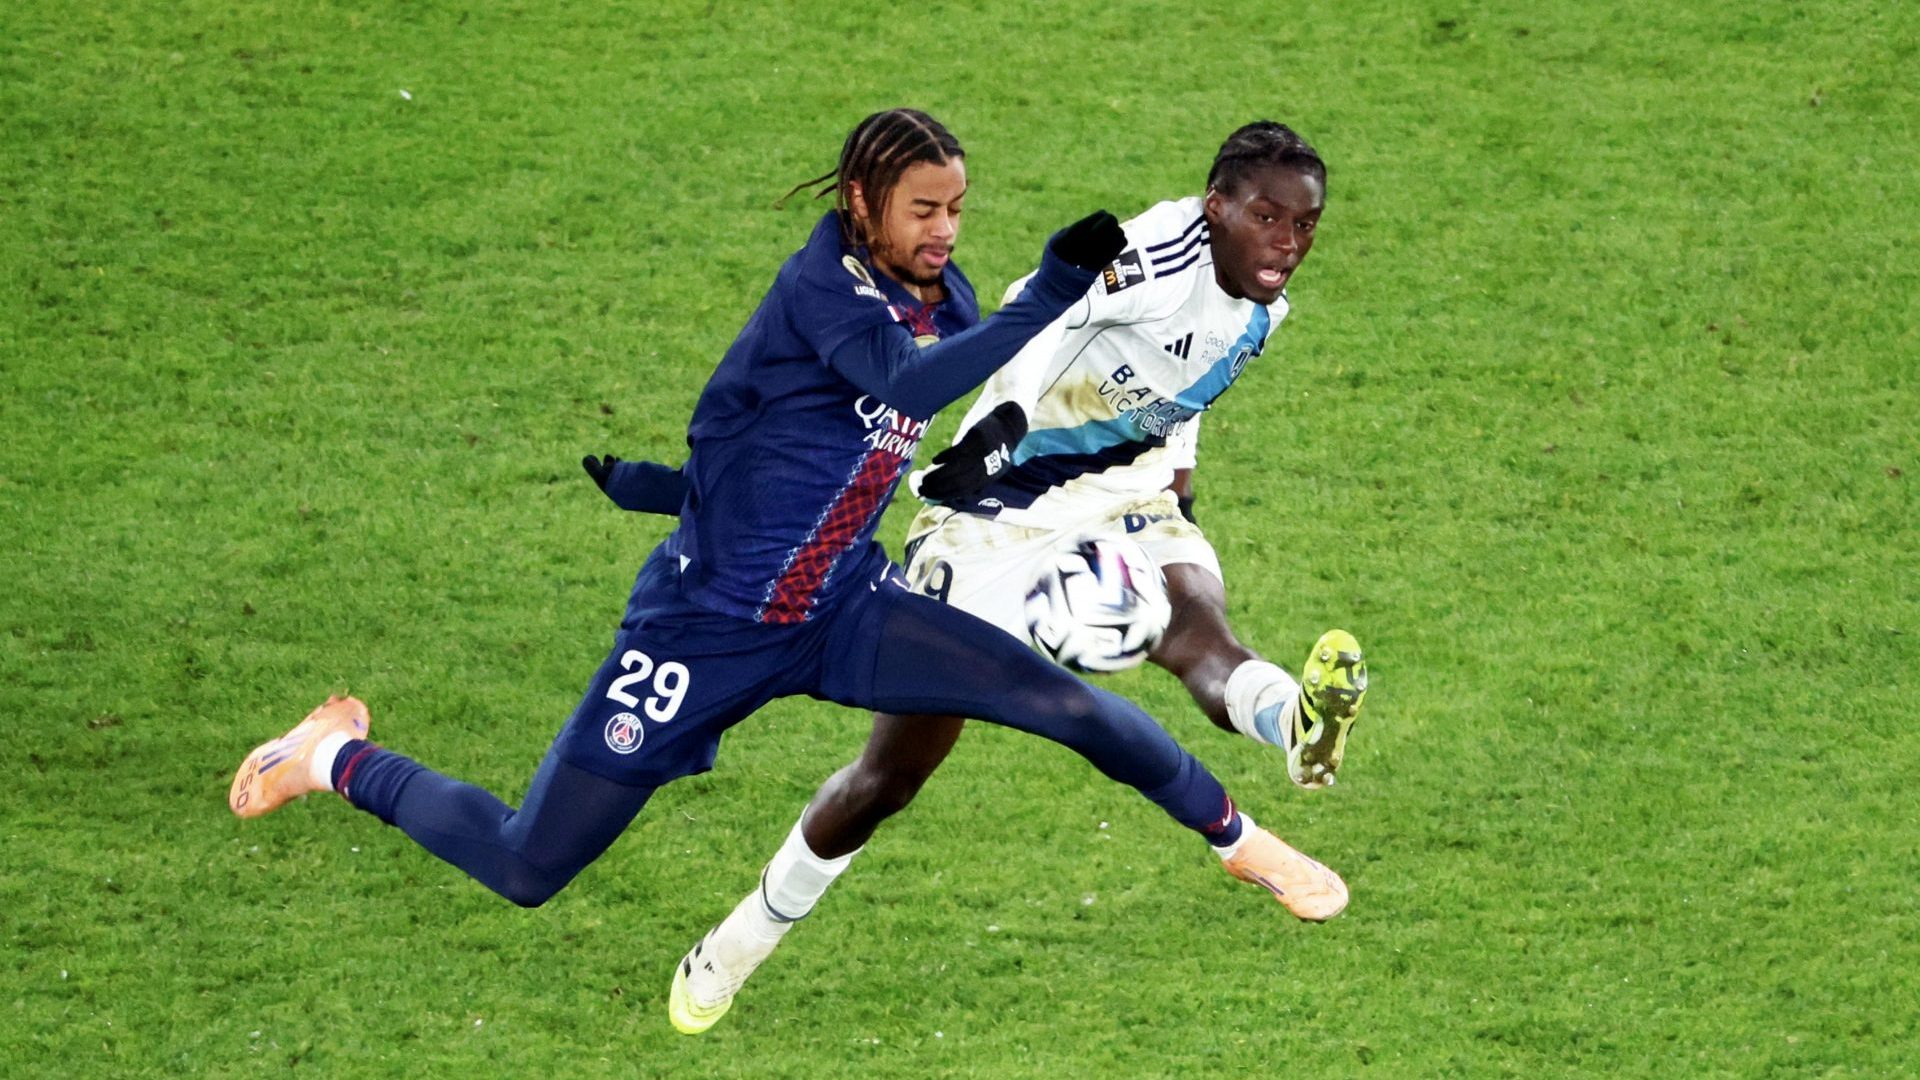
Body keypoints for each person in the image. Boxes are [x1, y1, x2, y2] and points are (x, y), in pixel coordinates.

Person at [225, 109, 1347, 1037]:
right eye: (924, 209)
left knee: (1062, 705)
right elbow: (901, 396)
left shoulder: (939, 300)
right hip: (700, 633)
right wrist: (1050, 300)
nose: (947, 232)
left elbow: (776, 446)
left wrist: (664, 485)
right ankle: (332, 757)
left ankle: (1246, 843)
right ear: (861, 206)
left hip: (840, 604)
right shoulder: (822, 293)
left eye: (956, 208)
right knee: (528, 864)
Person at [590, 121, 1370, 1035]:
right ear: (1217, 207)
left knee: (1196, 622)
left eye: (1305, 226)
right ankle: (738, 941)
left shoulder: (1266, 306)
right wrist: (995, 434)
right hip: (994, 515)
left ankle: (1296, 728)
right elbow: (1039, 311)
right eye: (1268, 217)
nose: (1286, 242)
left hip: (1122, 488)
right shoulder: (1152, 253)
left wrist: (1178, 505)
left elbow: (1186, 392)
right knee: (890, 776)